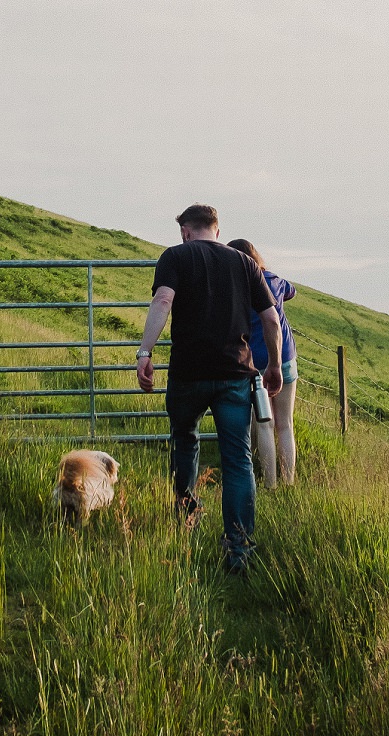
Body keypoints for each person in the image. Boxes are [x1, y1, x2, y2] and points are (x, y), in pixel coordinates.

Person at [136, 203, 282, 575]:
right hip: (235, 374)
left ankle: (187, 518)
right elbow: (270, 318)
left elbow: (163, 300)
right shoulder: (245, 263)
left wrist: (145, 352)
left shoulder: (174, 256)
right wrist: (275, 367)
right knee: (237, 459)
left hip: (188, 374)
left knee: (184, 438)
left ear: (186, 230)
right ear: (217, 230)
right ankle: (239, 548)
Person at [227, 238, 297, 487]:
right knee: (285, 424)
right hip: (284, 355)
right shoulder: (274, 281)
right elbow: (291, 292)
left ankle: (271, 483)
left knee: (263, 424)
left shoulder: (235, 287)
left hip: (254, 361)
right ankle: (289, 482)